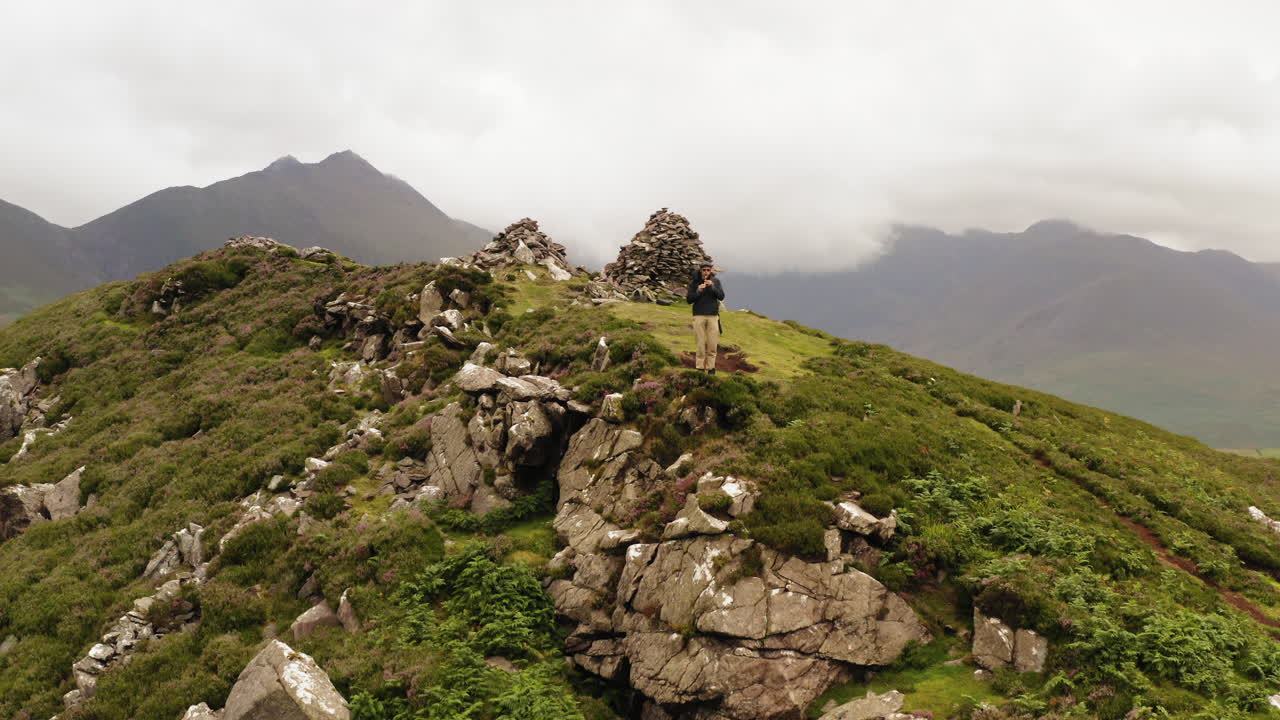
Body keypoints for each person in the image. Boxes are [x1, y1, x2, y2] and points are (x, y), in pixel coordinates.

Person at [686, 262, 725, 373]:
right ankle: (699, 367)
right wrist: (698, 290)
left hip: (713, 316)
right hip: (699, 315)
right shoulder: (694, 283)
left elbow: (721, 296)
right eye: (704, 270)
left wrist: (712, 286)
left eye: (708, 270)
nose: (706, 272)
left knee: (712, 344)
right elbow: (689, 300)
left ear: (711, 271)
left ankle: (711, 367)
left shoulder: (716, 282)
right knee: (700, 343)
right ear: (700, 271)